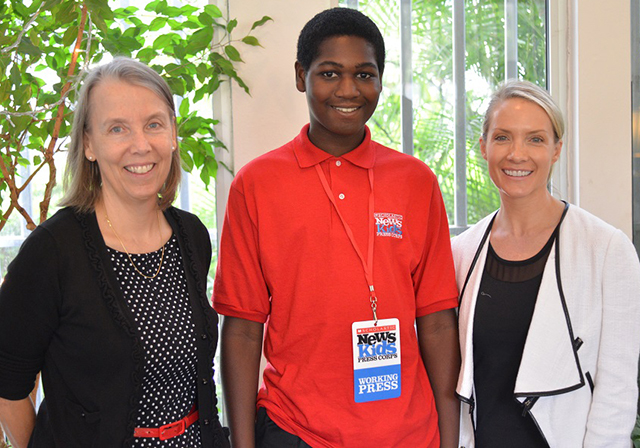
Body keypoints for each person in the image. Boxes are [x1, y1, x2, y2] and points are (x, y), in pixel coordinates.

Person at [213, 7, 460, 448]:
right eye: (330, 73)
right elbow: (244, 327)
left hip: (408, 433)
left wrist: (450, 437)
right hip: (296, 430)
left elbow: (438, 322)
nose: (348, 90)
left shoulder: (415, 181)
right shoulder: (256, 185)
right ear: (300, 75)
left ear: (381, 80)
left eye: (365, 75)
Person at [0, 58, 229, 447]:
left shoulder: (191, 235)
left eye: (154, 124)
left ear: (173, 133)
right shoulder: (52, 252)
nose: (141, 145)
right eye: (117, 128)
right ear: (89, 144)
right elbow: (9, 385)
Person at [453, 79, 640, 447]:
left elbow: (616, 391)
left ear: (556, 150)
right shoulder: (460, 252)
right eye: (503, 137)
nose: (517, 154)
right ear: (483, 147)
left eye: (535, 139)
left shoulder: (607, 250)